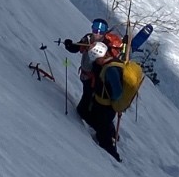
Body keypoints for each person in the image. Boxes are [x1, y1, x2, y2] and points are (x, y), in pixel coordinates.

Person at [64, 20, 154, 161]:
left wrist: (112, 102)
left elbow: (116, 91)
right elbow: (78, 47)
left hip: (104, 100)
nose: (97, 33)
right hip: (99, 94)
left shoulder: (110, 66)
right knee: (86, 111)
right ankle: (109, 132)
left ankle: (112, 154)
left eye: (101, 31)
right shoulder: (95, 48)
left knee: (98, 123)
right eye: (95, 30)